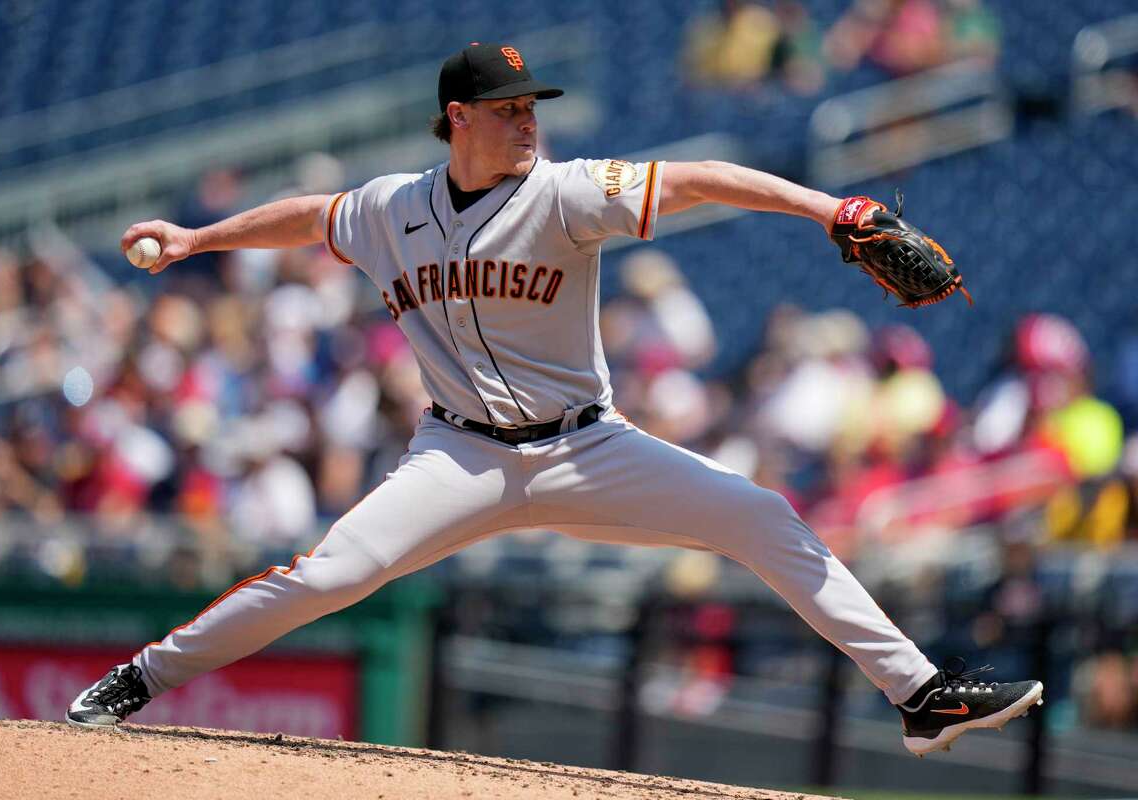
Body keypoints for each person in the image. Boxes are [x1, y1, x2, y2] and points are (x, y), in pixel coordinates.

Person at [66, 42, 1042, 757]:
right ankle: (142, 676)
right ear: (459, 118)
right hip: (459, 457)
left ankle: (918, 692)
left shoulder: (567, 192)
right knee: (326, 577)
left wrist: (832, 209)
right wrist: (198, 238)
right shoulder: (387, 208)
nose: (529, 120)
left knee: (759, 515)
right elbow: (306, 217)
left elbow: (702, 179)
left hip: (589, 447)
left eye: (532, 105)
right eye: (508, 109)